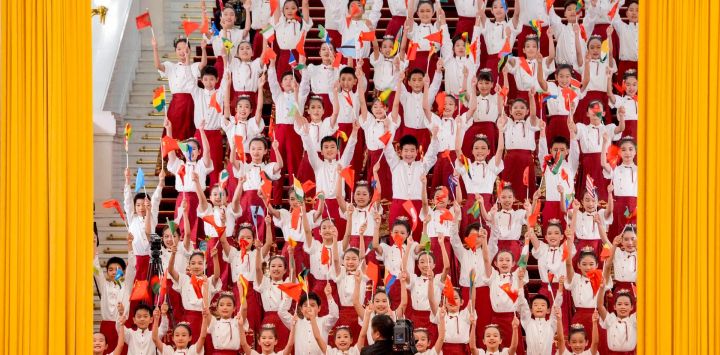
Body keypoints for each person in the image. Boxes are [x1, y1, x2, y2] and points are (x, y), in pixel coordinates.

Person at [165, 119, 214, 245]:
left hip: (199, 199)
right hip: (183, 199)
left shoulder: (202, 165)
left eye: (194, 149)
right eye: (187, 148)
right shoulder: (179, 165)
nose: (190, 151)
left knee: (198, 231)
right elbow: (170, 150)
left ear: (199, 152)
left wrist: (202, 131)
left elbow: (208, 152)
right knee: (182, 229)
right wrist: (169, 130)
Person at [152, 37, 207, 140]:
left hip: (191, 104)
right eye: (179, 49)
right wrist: (155, 48)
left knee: (189, 133)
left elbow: (203, 63)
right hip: (176, 105)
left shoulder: (194, 66)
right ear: (175, 51)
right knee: (173, 132)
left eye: (185, 48)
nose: (182, 52)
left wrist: (203, 49)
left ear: (189, 50)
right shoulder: (171, 66)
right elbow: (158, 66)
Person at [93, 233, 134, 354]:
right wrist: (94, 244)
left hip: (122, 326)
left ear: (124, 271)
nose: (114, 272)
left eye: (118, 269)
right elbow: (95, 268)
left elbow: (132, 265)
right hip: (106, 326)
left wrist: (130, 244)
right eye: (110, 269)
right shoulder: (104, 285)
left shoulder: (127, 285)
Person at [278, 288, 339, 355]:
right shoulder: (296, 322)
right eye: (305, 305)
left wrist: (329, 295)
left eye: (312, 305)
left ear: (319, 308)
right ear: (301, 309)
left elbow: (334, 315)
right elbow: (281, 312)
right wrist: (288, 295)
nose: (309, 308)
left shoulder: (324, 322)